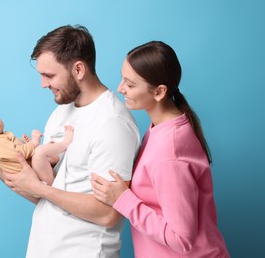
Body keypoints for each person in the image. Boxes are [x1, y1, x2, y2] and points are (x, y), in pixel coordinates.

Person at [0, 25, 140, 258]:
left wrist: (39, 188)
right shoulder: (61, 113)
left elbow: (108, 214)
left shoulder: (112, 123)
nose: (43, 84)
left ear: (78, 69)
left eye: (49, 75)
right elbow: (41, 194)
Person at [90, 41, 230, 257]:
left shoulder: (169, 151)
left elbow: (182, 239)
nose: (120, 88)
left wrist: (123, 199)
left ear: (159, 92)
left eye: (130, 83)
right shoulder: (163, 129)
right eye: (122, 78)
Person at [0, 105, 74, 185]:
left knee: (43, 150)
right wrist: (33, 143)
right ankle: (65, 143)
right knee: (40, 151)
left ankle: (52, 160)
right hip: (34, 177)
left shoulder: (0, 137)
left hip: (34, 171)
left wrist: (25, 142)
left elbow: (15, 147)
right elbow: (18, 154)